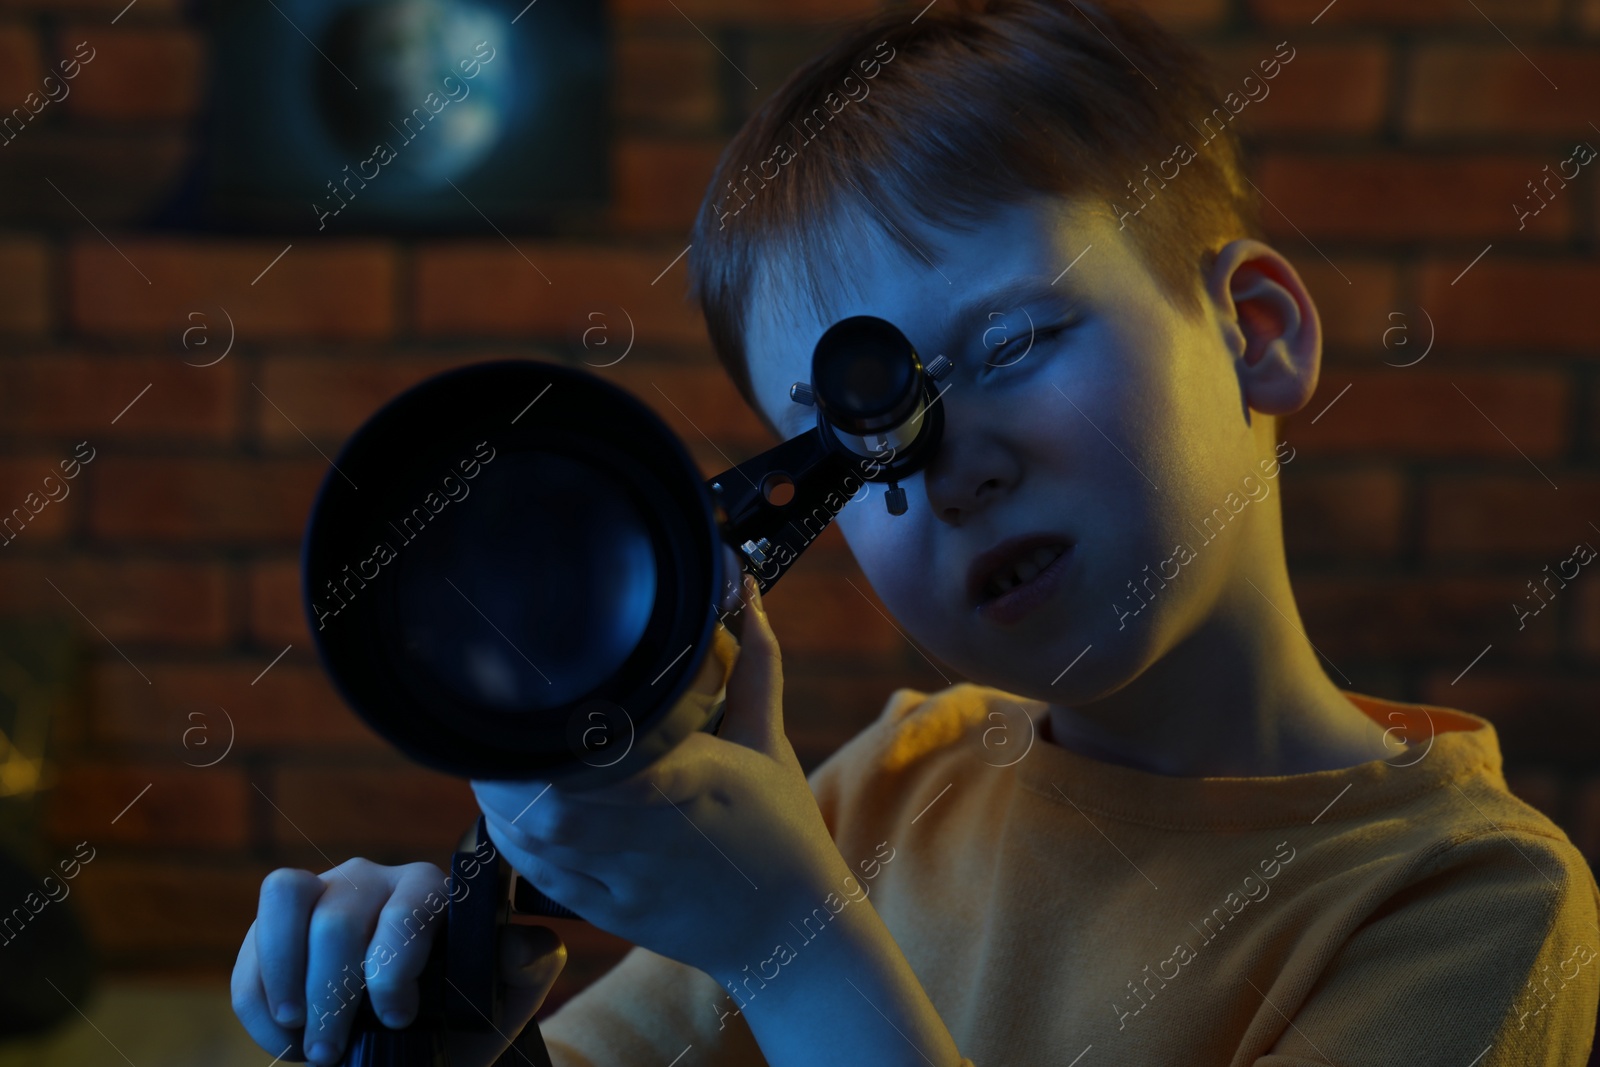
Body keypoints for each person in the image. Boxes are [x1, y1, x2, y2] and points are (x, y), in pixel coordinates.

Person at [232, 2, 1600, 1064]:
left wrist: (792, 943)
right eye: (849, 451)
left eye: (1010, 342)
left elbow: (790, 946)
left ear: (1255, 333)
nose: (949, 474)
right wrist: (441, 1023)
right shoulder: (894, 783)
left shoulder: (1472, 902)